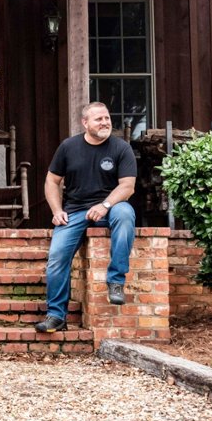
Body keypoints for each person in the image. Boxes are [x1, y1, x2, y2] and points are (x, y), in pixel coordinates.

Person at [34, 102, 137, 333]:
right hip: (75, 211)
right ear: (85, 123)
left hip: (111, 207)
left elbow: (127, 187)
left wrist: (105, 204)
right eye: (99, 119)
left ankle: (116, 281)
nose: (105, 123)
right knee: (58, 255)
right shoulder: (68, 147)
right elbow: (52, 181)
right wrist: (56, 210)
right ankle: (56, 316)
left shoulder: (121, 148)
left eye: (107, 118)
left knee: (125, 214)